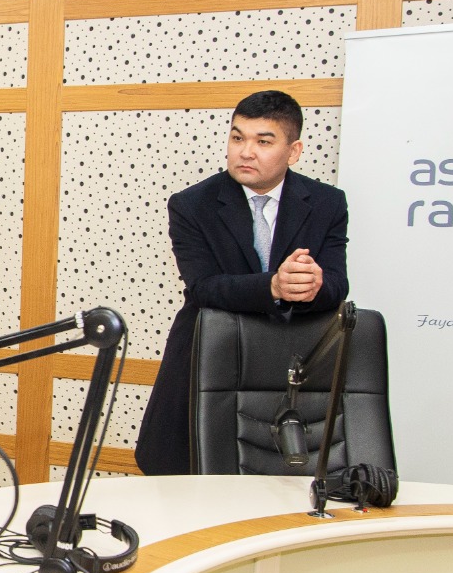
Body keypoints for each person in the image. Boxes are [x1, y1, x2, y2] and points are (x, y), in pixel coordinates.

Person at [135, 89, 350, 475]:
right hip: (208, 356)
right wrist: (273, 287)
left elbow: (337, 285)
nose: (245, 152)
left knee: (283, 479)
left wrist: (315, 284)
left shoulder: (327, 203)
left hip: (289, 363)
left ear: (294, 151)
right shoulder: (192, 204)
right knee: (185, 474)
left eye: (263, 142)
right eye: (237, 138)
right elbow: (204, 287)